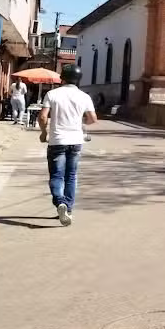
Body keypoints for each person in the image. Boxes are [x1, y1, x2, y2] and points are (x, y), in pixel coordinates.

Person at [38, 65, 97, 227]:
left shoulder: (52, 94)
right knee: (71, 176)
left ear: (62, 78)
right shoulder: (84, 96)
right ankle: (68, 209)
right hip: (76, 141)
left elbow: (42, 117)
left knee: (57, 176)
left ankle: (60, 203)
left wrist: (44, 133)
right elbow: (93, 119)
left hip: (57, 140)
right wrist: (79, 122)